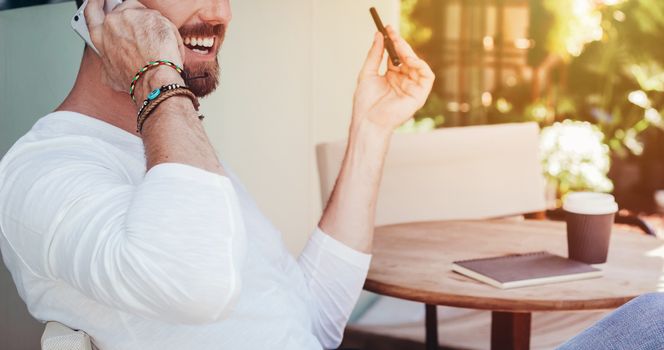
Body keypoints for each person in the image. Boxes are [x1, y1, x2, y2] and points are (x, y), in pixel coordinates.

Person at [0, 0, 434, 349]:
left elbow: (307, 325)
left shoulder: (176, 150)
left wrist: (371, 129)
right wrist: (154, 75)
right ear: (113, 6)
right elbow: (198, 285)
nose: (222, 12)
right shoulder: (40, 170)